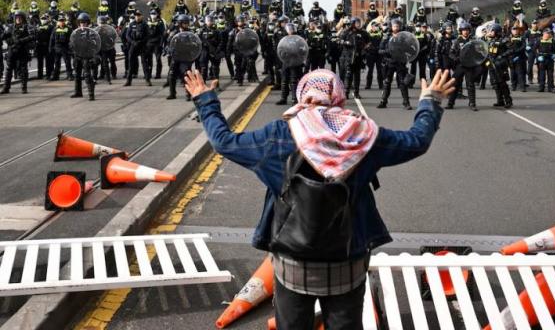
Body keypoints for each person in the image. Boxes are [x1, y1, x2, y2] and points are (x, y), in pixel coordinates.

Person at [184, 67, 454, 330]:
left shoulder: (277, 135)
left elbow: (223, 141)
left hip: (292, 263)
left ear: (302, 95)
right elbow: (417, 140)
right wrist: (430, 101)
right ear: (339, 96)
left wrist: (205, 100)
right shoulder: (365, 136)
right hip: (348, 261)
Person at [377, 19, 412, 109]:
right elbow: (380, 50)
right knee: (387, 83)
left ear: (400, 27)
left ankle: (406, 103)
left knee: (402, 83)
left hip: (400, 63)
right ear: (391, 27)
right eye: (394, 26)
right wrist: (388, 51)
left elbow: (409, 48)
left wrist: (406, 54)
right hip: (389, 63)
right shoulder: (386, 37)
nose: (396, 27)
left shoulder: (404, 37)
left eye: (397, 26)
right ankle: (383, 101)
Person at [447, 22, 480, 111]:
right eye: (463, 30)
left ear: (469, 31)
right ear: (460, 31)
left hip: (470, 66)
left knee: (470, 85)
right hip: (460, 66)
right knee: (455, 84)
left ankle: (472, 103)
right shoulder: (457, 41)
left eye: (467, 30)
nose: (465, 32)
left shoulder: (473, 40)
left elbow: (478, 52)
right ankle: (450, 103)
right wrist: (456, 59)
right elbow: (451, 53)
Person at [1, 10, 33, 94]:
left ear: (23, 18)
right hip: (12, 50)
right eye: (16, 17)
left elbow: (32, 36)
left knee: (23, 69)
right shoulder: (11, 27)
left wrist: (21, 40)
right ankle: (6, 88)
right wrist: (8, 40)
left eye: (19, 17)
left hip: (22, 50)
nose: (18, 19)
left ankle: (24, 87)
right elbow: (4, 35)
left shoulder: (27, 26)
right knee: (9, 69)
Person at [338, 17, 368, 99]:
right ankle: (346, 92)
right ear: (353, 23)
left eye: (359, 22)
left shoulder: (363, 33)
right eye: (357, 22)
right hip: (348, 56)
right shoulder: (347, 32)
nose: (358, 24)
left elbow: (369, 42)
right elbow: (340, 41)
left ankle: (356, 93)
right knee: (348, 75)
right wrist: (346, 43)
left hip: (358, 57)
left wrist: (365, 48)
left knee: (357, 76)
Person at [484, 23, 513, 108]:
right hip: (491, 64)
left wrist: (502, 56)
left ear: (496, 31)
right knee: (495, 83)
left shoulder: (504, 40)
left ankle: (508, 101)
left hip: (500, 64)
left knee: (502, 83)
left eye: (492, 30)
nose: (490, 32)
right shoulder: (490, 40)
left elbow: (511, 50)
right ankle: (500, 101)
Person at [166, 14, 194, 100]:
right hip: (176, 57)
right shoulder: (174, 33)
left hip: (185, 57)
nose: (186, 25)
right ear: (180, 23)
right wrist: (169, 50)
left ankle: (188, 94)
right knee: (171, 74)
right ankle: (172, 93)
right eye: (185, 23)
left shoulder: (190, 33)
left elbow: (194, 44)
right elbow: (168, 44)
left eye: (187, 23)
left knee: (186, 75)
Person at [70, 13, 96, 101]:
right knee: (77, 75)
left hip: (86, 56)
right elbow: (71, 43)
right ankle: (78, 92)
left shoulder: (91, 32)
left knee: (87, 75)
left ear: (88, 23)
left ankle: (91, 94)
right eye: (81, 22)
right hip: (77, 55)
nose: (83, 24)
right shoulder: (76, 32)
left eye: (84, 22)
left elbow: (94, 44)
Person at [125, 10, 151, 86]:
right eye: (136, 15)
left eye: (139, 15)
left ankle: (147, 80)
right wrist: (133, 42)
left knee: (144, 64)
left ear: (141, 16)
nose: (137, 17)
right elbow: (127, 35)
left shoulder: (144, 25)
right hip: (133, 45)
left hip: (142, 46)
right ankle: (128, 81)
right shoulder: (131, 24)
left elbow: (147, 36)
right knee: (130, 64)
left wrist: (141, 42)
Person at [198, 15, 223, 83]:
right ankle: (203, 83)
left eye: (211, 20)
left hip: (214, 50)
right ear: (206, 21)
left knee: (215, 68)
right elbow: (198, 40)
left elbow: (221, 41)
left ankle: (216, 84)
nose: (210, 22)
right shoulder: (201, 30)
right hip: (204, 51)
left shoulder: (216, 31)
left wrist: (218, 49)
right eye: (208, 20)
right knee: (204, 67)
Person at [533, 28, 555, 93]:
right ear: (544, 33)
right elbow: (534, 49)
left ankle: (551, 88)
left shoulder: (552, 41)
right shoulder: (539, 40)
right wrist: (538, 56)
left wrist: (554, 55)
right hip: (542, 59)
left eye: (549, 33)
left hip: (549, 59)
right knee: (542, 74)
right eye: (547, 33)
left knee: (550, 74)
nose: (548, 34)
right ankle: (541, 87)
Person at [49, 15, 73, 81]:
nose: (61, 22)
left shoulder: (68, 29)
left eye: (63, 21)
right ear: (58, 22)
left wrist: (71, 48)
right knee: (56, 63)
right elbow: (52, 39)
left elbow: (72, 39)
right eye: (60, 21)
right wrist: (50, 48)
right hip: (57, 48)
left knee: (67, 63)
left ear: (64, 21)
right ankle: (56, 76)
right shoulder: (55, 29)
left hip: (65, 48)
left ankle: (69, 75)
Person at [145, 9, 166, 80]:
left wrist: (161, 43)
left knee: (158, 59)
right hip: (149, 43)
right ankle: (149, 74)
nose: (153, 15)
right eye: (152, 14)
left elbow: (163, 34)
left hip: (157, 43)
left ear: (157, 15)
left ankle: (158, 74)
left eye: (154, 14)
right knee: (149, 59)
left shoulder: (160, 22)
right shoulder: (147, 22)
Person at [507, 25, 527, 92]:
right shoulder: (508, 38)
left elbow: (523, 46)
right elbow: (506, 47)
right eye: (513, 30)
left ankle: (522, 87)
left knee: (520, 73)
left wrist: (516, 51)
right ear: (511, 31)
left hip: (519, 57)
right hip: (511, 57)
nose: (515, 31)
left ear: (518, 31)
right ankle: (513, 86)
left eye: (516, 30)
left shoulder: (521, 38)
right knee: (512, 73)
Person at [98, 15, 117, 83]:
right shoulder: (98, 29)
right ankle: (103, 74)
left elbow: (114, 37)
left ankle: (114, 74)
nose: (102, 24)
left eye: (103, 23)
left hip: (110, 48)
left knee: (112, 61)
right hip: (103, 48)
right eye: (101, 23)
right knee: (104, 62)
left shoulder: (110, 29)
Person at [364, 22, 383, 89]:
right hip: (370, 54)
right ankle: (368, 85)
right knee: (370, 70)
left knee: (380, 70)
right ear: (372, 27)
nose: (376, 27)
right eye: (375, 26)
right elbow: (365, 44)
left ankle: (381, 85)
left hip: (379, 54)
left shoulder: (381, 33)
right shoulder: (368, 34)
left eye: (377, 26)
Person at [35, 13, 54, 80]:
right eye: (42, 19)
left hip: (47, 45)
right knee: (40, 61)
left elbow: (52, 37)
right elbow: (35, 36)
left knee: (48, 61)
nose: (43, 20)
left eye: (44, 19)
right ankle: (39, 75)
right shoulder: (38, 26)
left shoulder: (50, 27)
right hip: (39, 46)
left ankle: (48, 74)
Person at [524, 20, 542, 85]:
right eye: (534, 24)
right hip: (530, 50)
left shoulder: (540, 32)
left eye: (536, 24)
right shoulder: (528, 32)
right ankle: (530, 78)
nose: (535, 25)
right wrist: (526, 46)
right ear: (531, 25)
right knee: (530, 66)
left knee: (540, 65)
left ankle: (539, 79)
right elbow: (523, 39)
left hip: (538, 50)